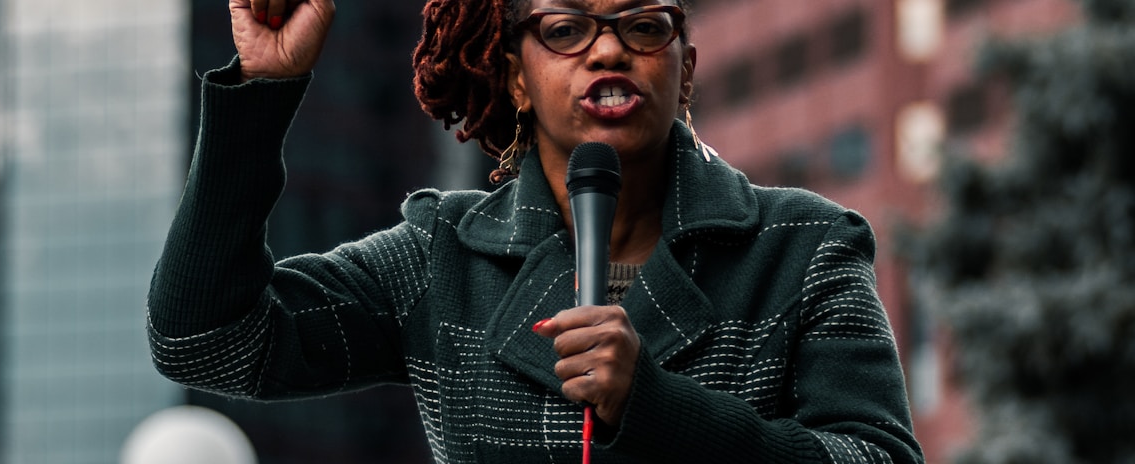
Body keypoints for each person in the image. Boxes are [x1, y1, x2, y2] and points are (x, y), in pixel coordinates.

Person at [147, 0, 925, 462]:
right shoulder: (442, 257)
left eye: (644, 26)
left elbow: (876, 458)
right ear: (515, 73)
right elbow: (206, 340)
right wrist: (262, 90)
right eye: (565, 29)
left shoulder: (803, 248)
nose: (610, 47)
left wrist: (657, 408)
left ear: (685, 68)